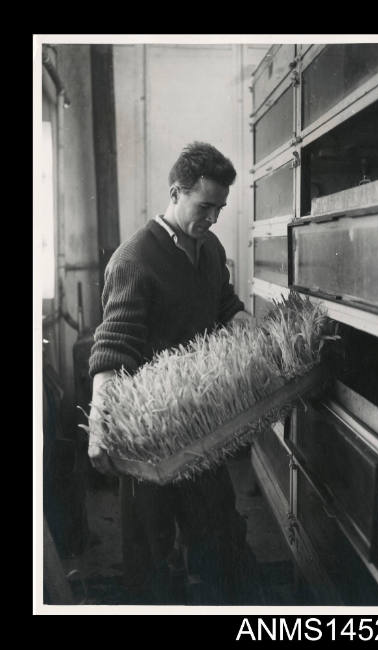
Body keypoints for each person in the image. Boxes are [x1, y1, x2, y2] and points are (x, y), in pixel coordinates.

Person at [87, 142, 260, 604]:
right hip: (149, 435)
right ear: (175, 192)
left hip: (201, 423)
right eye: (206, 207)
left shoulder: (209, 247)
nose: (214, 218)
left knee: (220, 533)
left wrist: (262, 336)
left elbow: (224, 306)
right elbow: (112, 351)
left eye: (220, 208)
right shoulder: (134, 261)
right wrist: (98, 428)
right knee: (152, 553)